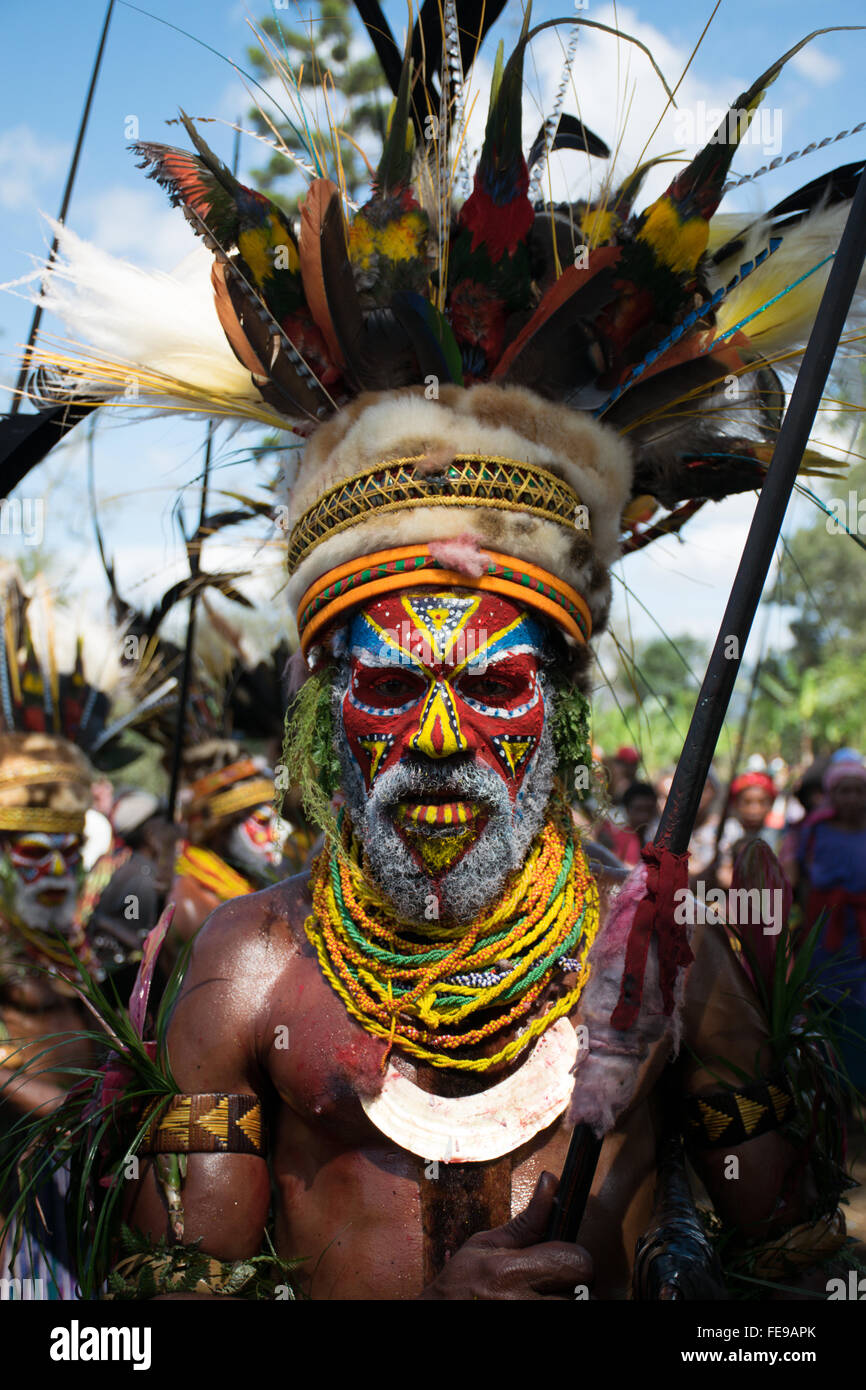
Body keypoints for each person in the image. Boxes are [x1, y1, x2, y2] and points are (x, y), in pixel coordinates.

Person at [6, 15, 861, 1301]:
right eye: (393, 687)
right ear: (317, 717)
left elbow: (802, 1311)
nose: (444, 741)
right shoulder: (248, 968)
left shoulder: (666, 960)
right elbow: (109, 1339)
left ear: (564, 713)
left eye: (499, 685)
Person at [791, 758, 866, 1092]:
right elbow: (799, 881)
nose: (852, 798)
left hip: (861, 934)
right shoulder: (813, 830)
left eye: (859, 791)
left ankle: (858, 1089)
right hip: (824, 933)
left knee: (859, 1008)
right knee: (823, 1004)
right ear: (831, 794)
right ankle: (830, 1090)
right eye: (844, 791)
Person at [715, 771, 778, 890]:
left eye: (762, 802)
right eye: (747, 802)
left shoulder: (777, 835)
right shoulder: (729, 832)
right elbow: (723, 876)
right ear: (736, 804)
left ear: (771, 804)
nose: (754, 810)